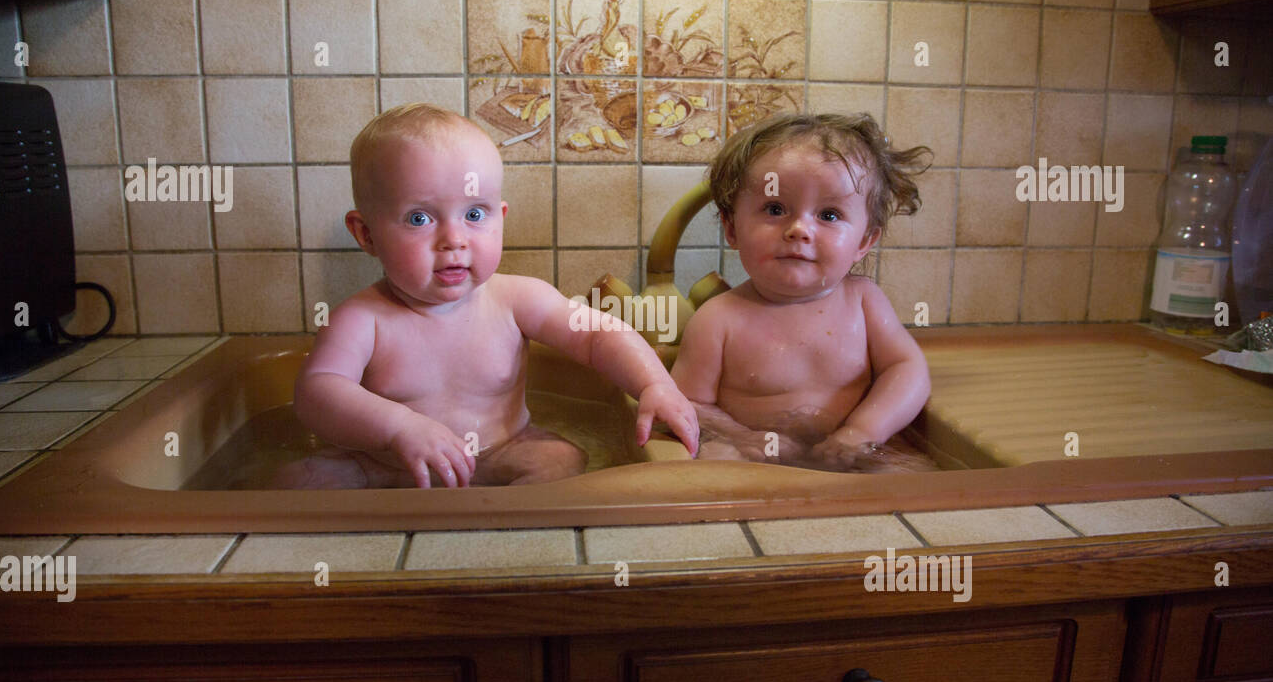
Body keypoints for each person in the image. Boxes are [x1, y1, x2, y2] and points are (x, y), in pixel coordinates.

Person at [279, 103, 698, 489]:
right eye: (419, 218)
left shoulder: (516, 299)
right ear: (366, 233)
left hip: (504, 452)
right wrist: (398, 428)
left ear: (500, 218)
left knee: (559, 458)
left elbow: (597, 335)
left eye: (474, 214)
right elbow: (317, 394)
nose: (454, 240)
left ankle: (505, 541)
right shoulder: (361, 319)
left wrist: (653, 384)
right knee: (302, 478)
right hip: (385, 466)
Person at [671, 112, 934, 472]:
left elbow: (909, 370)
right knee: (715, 465)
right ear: (732, 228)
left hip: (853, 450)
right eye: (775, 209)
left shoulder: (864, 302)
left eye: (828, 215)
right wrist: (741, 437)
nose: (799, 230)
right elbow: (686, 403)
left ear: (864, 241)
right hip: (755, 457)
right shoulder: (718, 320)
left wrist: (862, 432)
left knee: (914, 472)